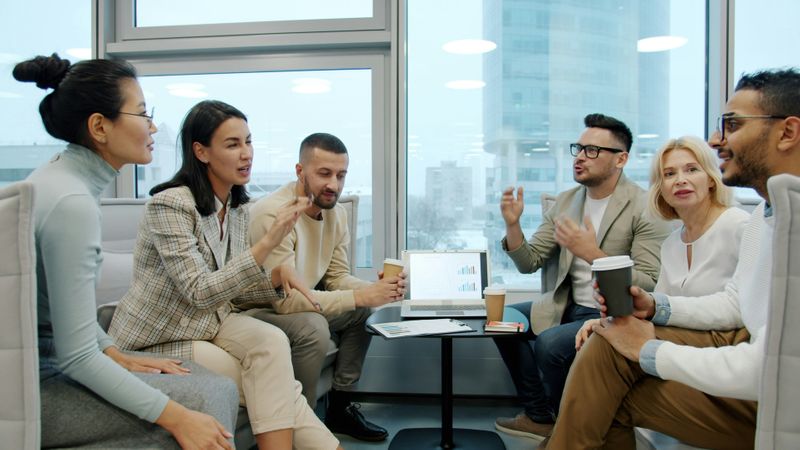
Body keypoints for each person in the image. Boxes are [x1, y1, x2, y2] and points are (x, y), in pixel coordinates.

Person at [541, 68, 800, 450]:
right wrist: (655, 307)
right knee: (604, 381)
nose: (717, 139)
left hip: (767, 394)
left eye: (733, 125)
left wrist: (647, 349)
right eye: (669, 174)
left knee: (595, 359)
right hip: (735, 360)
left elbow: (769, 368)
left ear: (788, 132)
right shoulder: (767, 217)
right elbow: (734, 300)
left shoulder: (744, 224)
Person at [15, 54, 239, 449]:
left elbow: (72, 326)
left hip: (41, 368)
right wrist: (178, 417)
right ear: (100, 126)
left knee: (195, 383)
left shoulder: (60, 179)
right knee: (208, 396)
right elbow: (75, 357)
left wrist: (117, 354)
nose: (152, 126)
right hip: (32, 388)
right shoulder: (71, 201)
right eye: (141, 113)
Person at [108, 100, 341, 450]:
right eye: (233, 145)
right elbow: (200, 292)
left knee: (270, 341)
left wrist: (275, 278)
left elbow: (230, 292)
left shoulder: (235, 209)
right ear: (201, 152)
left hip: (210, 323)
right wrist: (267, 245)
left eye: (248, 141)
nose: (246, 153)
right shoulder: (170, 204)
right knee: (272, 383)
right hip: (157, 338)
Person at [493, 113, 671, 441]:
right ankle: (540, 415)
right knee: (500, 319)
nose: (579, 157)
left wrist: (593, 255)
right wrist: (513, 225)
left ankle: (573, 427)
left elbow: (649, 280)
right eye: (578, 148)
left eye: (592, 150)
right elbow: (529, 262)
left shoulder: (646, 205)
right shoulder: (566, 202)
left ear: (621, 159)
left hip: (614, 312)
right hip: (566, 305)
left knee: (550, 345)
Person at [246, 132, 406, 442]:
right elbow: (284, 301)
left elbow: (336, 277)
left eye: (340, 175)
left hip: (298, 303)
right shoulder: (274, 213)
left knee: (361, 312)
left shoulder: (337, 214)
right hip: (260, 308)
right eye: (324, 174)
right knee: (313, 326)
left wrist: (375, 290)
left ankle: (340, 409)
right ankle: (299, 418)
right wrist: (360, 295)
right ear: (299, 171)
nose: (333, 184)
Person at [574, 136, 749, 349]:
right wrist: (607, 320)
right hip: (680, 341)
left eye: (692, 170)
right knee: (601, 336)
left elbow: (740, 308)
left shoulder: (738, 226)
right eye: (669, 174)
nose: (680, 180)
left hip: (724, 343)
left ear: (711, 179)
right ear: (661, 189)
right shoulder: (672, 244)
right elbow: (655, 305)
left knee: (601, 347)